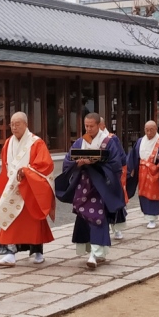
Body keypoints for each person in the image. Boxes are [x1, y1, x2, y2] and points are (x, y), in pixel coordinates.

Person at [55, 113, 125, 269]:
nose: (88, 129)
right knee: (85, 217)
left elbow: (116, 165)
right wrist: (78, 164)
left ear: (99, 125)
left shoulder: (108, 142)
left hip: (101, 186)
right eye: (86, 126)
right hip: (83, 185)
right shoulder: (80, 142)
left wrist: (97, 163)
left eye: (91, 126)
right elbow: (67, 161)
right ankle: (96, 251)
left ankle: (95, 254)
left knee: (98, 217)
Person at [0, 112, 55, 267]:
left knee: (34, 221)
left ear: (25, 124)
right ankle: (9, 253)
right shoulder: (8, 143)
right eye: (12, 124)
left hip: (31, 188)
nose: (14, 127)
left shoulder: (36, 143)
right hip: (13, 187)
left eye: (17, 124)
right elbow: (5, 166)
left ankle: (38, 252)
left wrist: (27, 172)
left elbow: (45, 166)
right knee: (9, 220)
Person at [126, 120, 159, 229]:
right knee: (143, 194)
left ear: (156, 129)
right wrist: (131, 168)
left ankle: (152, 218)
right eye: (147, 130)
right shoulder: (140, 141)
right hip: (142, 171)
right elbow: (133, 156)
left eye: (151, 130)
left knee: (153, 194)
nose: (149, 132)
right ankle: (147, 216)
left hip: (155, 172)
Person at [99, 121, 129, 240]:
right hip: (98, 176)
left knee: (114, 201)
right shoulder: (88, 139)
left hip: (111, 175)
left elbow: (120, 157)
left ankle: (117, 229)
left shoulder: (112, 139)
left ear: (102, 125)